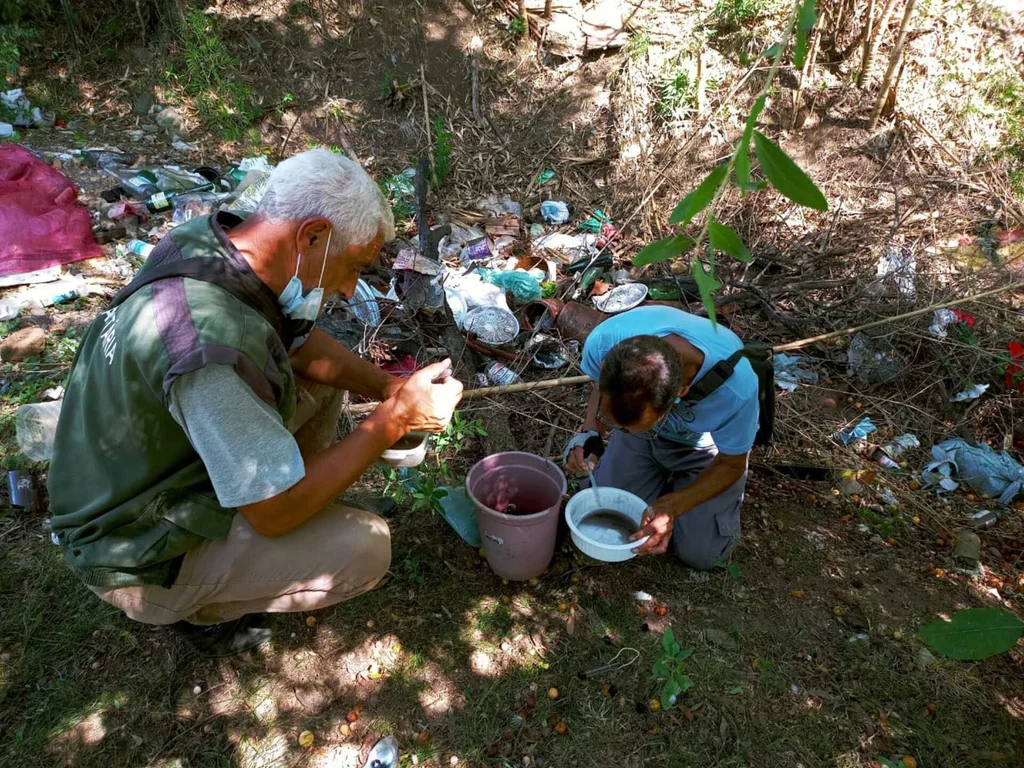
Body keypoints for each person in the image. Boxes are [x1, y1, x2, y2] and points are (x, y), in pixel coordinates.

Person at [47, 149, 464, 655]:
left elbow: (299, 344)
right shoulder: (211, 355)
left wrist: (384, 387)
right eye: (352, 266)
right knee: (366, 547)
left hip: (132, 470)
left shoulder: (207, 244)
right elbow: (272, 514)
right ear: (311, 236)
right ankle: (198, 610)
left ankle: (294, 505)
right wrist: (394, 420)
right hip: (132, 545)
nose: (351, 287)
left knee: (321, 379)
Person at [563, 305, 758, 569]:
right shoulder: (603, 342)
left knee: (702, 554)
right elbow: (600, 388)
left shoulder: (736, 389)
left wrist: (674, 505)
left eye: (634, 426)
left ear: (681, 392)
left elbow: (732, 464)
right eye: (619, 425)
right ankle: (652, 468)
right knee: (600, 509)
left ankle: (677, 487)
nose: (622, 431)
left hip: (705, 450)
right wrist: (592, 432)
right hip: (644, 439)